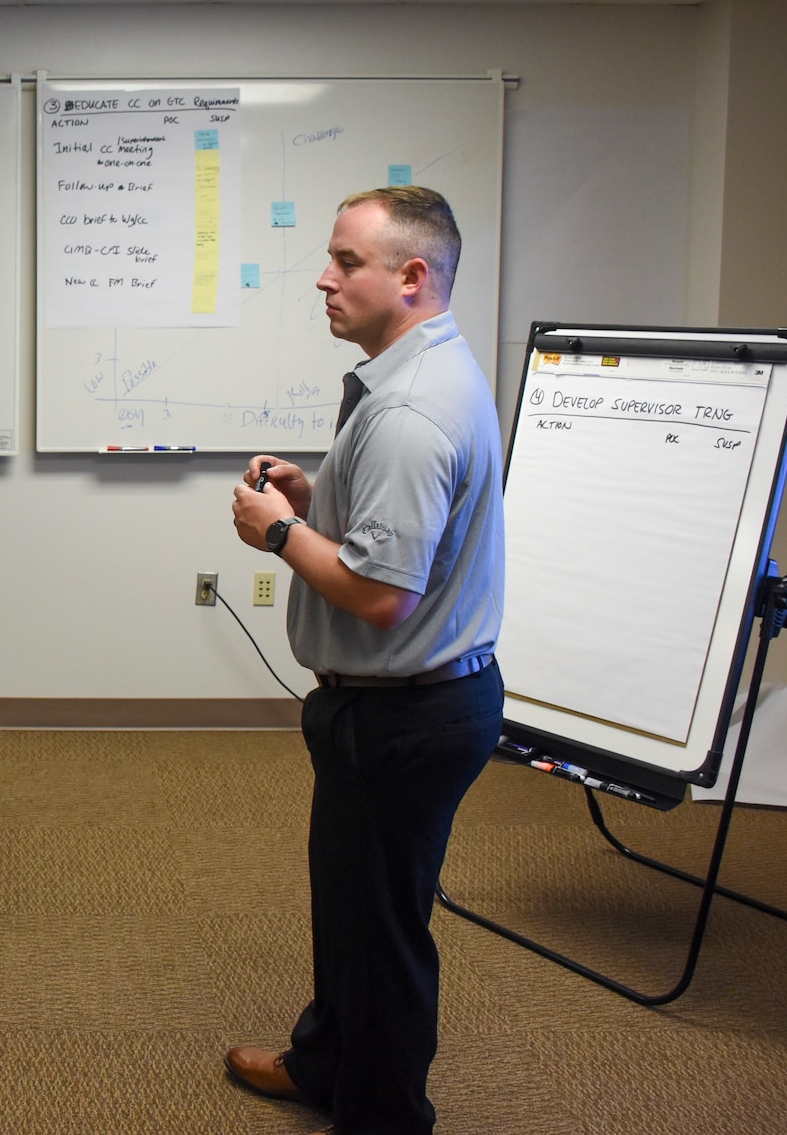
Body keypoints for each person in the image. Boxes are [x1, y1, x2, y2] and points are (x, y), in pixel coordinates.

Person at [224, 186, 506, 1135]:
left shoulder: (411, 410)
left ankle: (382, 1116)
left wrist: (281, 530)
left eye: (347, 261)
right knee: (350, 904)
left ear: (413, 276)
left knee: (381, 932)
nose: (324, 276)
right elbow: (393, 533)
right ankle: (324, 1062)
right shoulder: (418, 375)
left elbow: (385, 596)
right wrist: (321, 496)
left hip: (404, 714)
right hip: (398, 708)